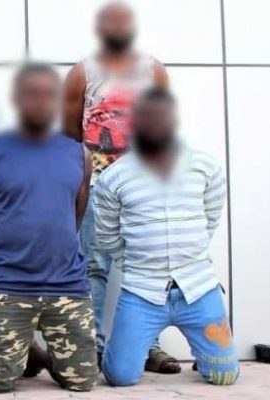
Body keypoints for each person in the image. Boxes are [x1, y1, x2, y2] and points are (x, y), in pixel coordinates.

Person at [93, 88, 238, 386]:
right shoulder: (113, 177)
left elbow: (211, 218)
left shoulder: (205, 166)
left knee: (224, 376)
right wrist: (138, 263)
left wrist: (189, 252)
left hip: (198, 289)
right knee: (120, 377)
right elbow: (107, 236)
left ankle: (206, 351)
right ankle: (124, 350)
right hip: (141, 293)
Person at [62, 0, 178, 373]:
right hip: (96, 188)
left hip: (144, 189)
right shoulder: (82, 72)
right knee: (93, 267)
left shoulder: (153, 71)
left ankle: (149, 347)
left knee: (148, 267)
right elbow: (69, 135)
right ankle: (92, 347)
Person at [0, 64, 98, 393]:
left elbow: (75, 215)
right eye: (31, 94)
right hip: (11, 284)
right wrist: (4, 253)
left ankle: (42, 355)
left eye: (47, 94)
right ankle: (29, 351)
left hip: (67, 285)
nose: (39, 101)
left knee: (83, 382)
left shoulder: (79, 154)